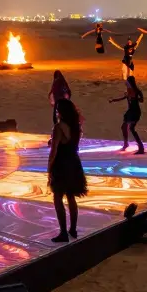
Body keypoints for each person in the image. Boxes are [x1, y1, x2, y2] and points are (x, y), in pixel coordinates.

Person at [48, 98, 88, 243]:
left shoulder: (59, 127)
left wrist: (49, 168)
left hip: (61, 164)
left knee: (58, 197)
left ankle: (63, 232)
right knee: (71, 196)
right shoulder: (76, 126)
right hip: (74, 162)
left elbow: (54, 150)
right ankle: (73, 229)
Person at [109, 75, 145, 154]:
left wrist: (135, 98)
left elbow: (141, 100)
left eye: (127, 82)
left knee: (131, 128)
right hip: (130, 112)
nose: (126, 83)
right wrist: (114, 100)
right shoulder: (129, 91)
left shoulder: (135, 91)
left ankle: (140, 147)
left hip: (134, 112)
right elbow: (124, 97)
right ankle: (127, 144)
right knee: (125, 127)